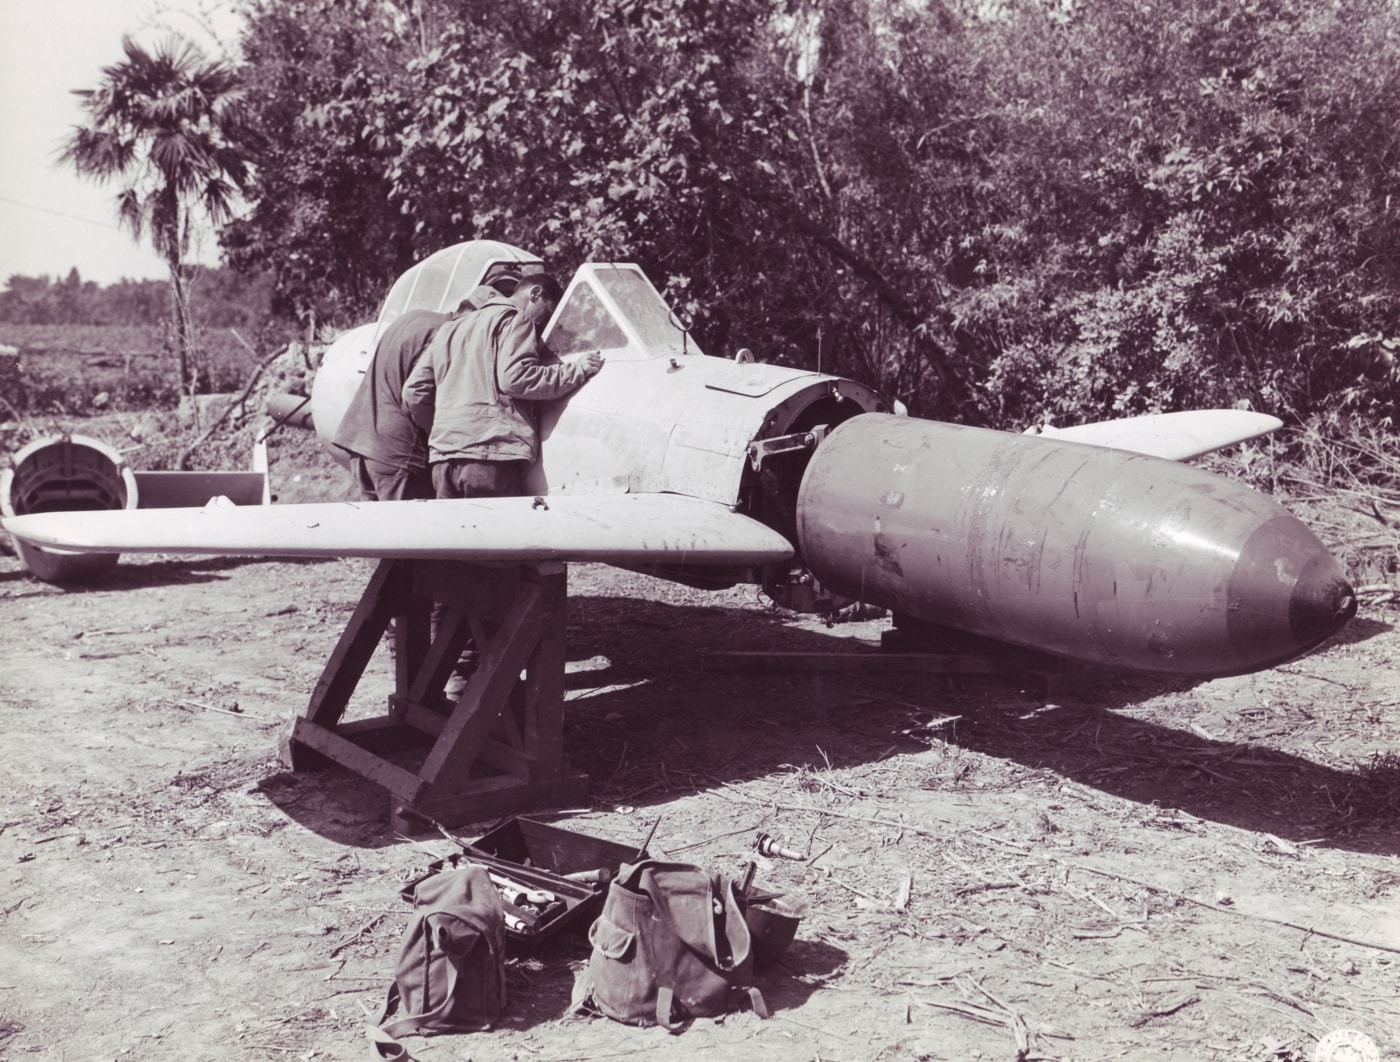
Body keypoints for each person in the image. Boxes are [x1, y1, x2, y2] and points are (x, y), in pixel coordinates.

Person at [401, 272, 603, 499]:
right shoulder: (516, 318)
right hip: (489, 459)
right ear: (535, 293)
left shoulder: (449, 329)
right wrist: (577, 370)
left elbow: (413, 391)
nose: (541, 325)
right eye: (546, 314)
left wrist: (445, 431)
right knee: (502, 533)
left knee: (456, 533)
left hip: (443, 463)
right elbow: (515, 379)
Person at [333, 275, 519, 502]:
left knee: (378, 532)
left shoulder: (414, 318)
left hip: (360, 442)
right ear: (476, 316)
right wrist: (442, 434)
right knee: (409, 534)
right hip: (397, 453)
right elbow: (414, 396)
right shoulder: (445, 334)